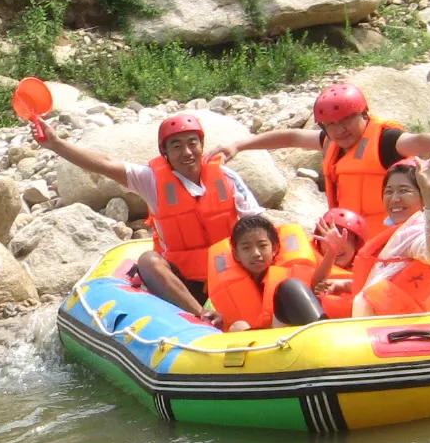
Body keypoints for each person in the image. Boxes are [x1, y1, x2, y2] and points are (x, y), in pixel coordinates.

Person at [29, 111, 260, 316]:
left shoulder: (227, 178)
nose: (187, 152)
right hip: (184, 280)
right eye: (176, 146)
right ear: (165, 153)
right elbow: (105, 164)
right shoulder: (150, 180)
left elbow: (257, 226)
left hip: (228, 270)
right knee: (148, 261)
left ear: (202, 145)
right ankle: (201, 315)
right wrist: (56, 143)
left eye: (193, 143)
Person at [217, 82, 430, 240]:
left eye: (346, 121)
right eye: (331, 125)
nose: (339, 130)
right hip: (353, 239)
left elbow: (416, 141)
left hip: (394, 239)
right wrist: (239, 144)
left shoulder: (385, 140)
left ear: (363, 115)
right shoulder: (331, 141)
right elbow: (291, 137)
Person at [318, 144, 430, 318]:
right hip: (389, 321)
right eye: (389, 191)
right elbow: (390, 274)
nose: (394, 199)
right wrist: (347, 285)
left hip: (400, 327)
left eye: (404, 191)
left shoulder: (419, 230)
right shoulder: (401, 231)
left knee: (294, 294)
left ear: (424, 196)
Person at [207, 213, 325, 332]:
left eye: (262, 246)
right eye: (246, 248)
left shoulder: (294, 281)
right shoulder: (222, 290)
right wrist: (218, 318)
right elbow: (210, 312)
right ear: (236, 254)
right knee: (238, 326)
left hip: (292, 334)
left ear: (274, 249)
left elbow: (319, 285)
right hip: (260, 343)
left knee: (291, 288)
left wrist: (330, 254)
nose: (256, 253)